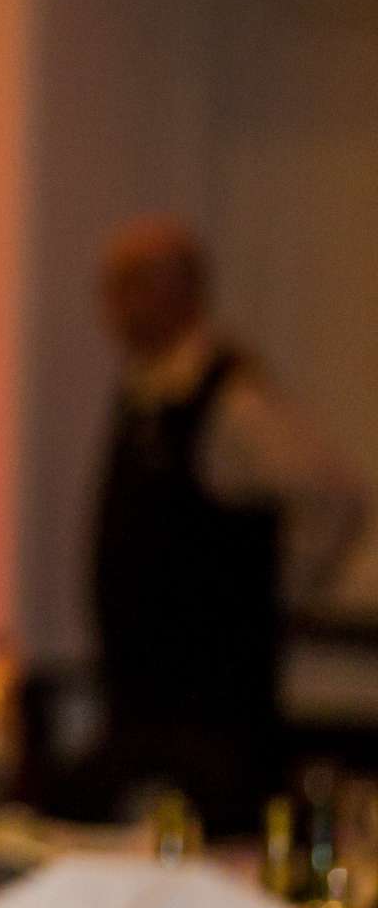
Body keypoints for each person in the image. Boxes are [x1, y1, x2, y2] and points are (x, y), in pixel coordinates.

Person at [88, 215, 368, 833]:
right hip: (144, 707)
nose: (113, 305)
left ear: (179, 291)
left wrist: (276, 582)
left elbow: (335, 496)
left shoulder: (233, 401)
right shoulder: (143, 395)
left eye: (130, 285)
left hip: (215, 723)